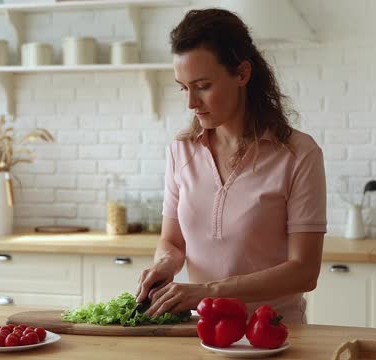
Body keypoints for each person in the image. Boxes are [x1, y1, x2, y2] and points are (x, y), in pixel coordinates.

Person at [135, 8, 327, 324]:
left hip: (275, 335)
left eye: (203, 86)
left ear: (242, 74)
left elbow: (304, 272)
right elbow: (172, 241)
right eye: (184, 87)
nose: (190, 103)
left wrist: (207, 291)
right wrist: (165, 265)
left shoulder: (298, 154)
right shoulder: (181, 151)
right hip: (200, 332)